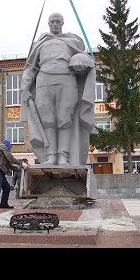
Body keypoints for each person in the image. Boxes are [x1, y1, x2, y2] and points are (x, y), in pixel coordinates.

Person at [20, 12, 95, 166]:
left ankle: (63, 157)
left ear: (62, 23)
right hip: (44, 81)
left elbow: (86, 59)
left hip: (66, 80)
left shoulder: (71, 41)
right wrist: (25, 88)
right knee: (47, 120)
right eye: (52, 22)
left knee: (64, 119)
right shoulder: (40, 43)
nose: (55, 24)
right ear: (48, 23)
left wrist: (84, 63)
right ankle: (51, 156)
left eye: (58, 22)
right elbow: (30, 68)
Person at [0, 140, 22, 216]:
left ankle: (3, 204)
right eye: (10, 148)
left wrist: (20, 169)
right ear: (7, 146)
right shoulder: (3, 148)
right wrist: (20, 163)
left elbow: (9, 165)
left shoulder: (2, 154)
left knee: (6, 188)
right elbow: (11, 158)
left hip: (0, 172)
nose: (10, 150)